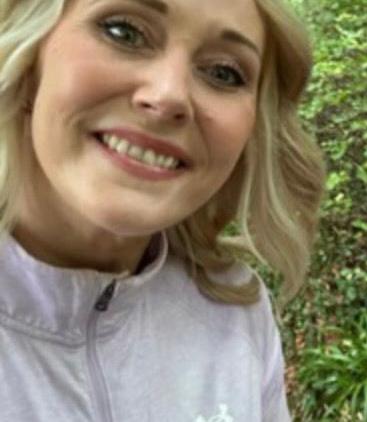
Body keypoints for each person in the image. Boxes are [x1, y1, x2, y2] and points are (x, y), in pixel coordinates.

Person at [0, 0, 325, 421]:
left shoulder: (232, 315)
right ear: (29, 62)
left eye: (224, 72)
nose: (169, 95)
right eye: (124, 32)